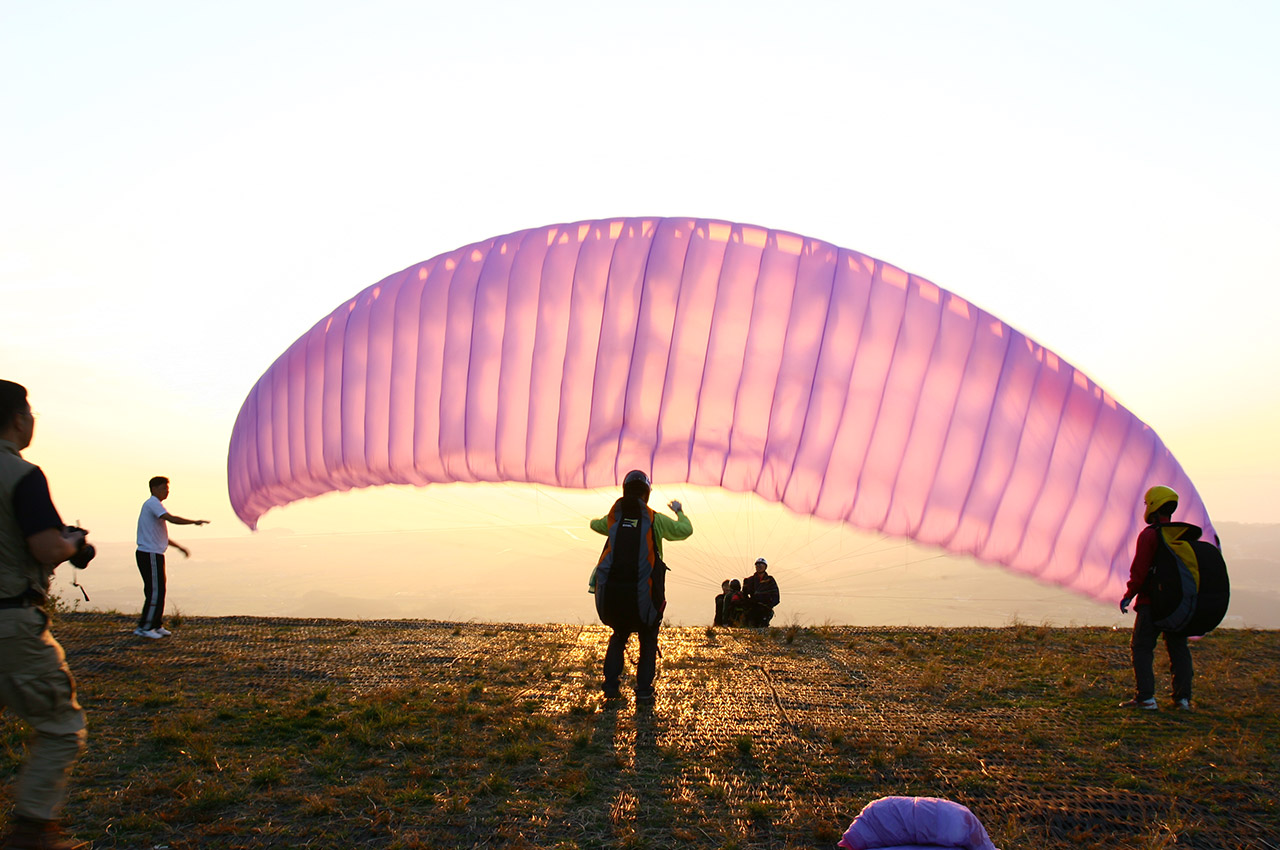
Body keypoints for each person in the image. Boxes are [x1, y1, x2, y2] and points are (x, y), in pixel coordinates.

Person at [0, 380, 92, 849]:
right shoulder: (22, 475)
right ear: (18, 419)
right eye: (30, 412)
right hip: (10, 623)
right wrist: (71, 544)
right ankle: (33, 832)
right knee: (61, 725)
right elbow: (44, 546)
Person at [589, 470, 692, 700]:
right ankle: (644, 692)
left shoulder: (614, 518)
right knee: (647, 639)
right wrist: (679, 512)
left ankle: (611, 687)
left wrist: (603, 521)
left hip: (615, 596)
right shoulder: (655, 520)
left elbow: (595, 525)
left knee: (618, 636)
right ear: (646, 493)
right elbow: (686, 530)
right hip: (645, 594)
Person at [1119, 485, 1194, 710]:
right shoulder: (1180, 535)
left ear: (1153, 506)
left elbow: (1139, 571)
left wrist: (1129, 595)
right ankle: (1182, 699)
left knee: (1141, 647)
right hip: (1177, 605)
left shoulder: (1150, 535)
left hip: (1151, 603)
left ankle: (1146, 698)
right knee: (1178, 648)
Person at [135, 476, 208, 639]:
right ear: (154, 489)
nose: (166, 491)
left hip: (154, 553)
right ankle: (145, 627)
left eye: (167, 489)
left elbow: (161, 537)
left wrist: (179, 547)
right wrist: (194, 522)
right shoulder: (152, 504)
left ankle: (156, 625)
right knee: (154, 592)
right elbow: (172, 519)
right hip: (149, 554)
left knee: (159, 590)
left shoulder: (156, 506)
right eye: (163, 488)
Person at [741, 556, 780, 627]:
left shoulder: (770, 580)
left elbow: (776, 595)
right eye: (757, 564)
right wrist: (748, 604)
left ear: (765, 567)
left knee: (763, 626)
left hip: (765, 609)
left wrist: (770, 605)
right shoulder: (750, 580)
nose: (759, 566)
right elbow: (744, 594)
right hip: (752, 608)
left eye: (761, 564)